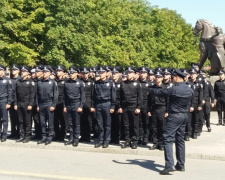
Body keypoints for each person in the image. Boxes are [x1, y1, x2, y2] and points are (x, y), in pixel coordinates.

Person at [149, 69, 193, 175]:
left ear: (177, 77)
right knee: (180, 140)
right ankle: (181, 164)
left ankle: (169, 165)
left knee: (167, 138)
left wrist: (149, 89)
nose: (172, 79)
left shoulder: (174, 89)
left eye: (173, 77)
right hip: (184, 116)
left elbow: (160, 92)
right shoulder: (189, 89)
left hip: (174, 116)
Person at [119, 66, 143, 149]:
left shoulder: (137, 84)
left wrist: (138, 107)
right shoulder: (123, 83)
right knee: (126, 125)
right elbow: (120, 97)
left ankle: (135, 141)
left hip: (134, 107)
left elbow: (140, 97)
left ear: (133, 74)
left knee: (135, 125)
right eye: (127, 73)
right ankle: (127, 140)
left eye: (130, 73)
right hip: (125, 106)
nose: (128, 75)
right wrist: (120, 107)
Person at [93, 66, 116, 148]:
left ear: (106, 73)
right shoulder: (96, 83)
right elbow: (94, 95)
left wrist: (112, 106)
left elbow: (113, 95)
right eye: (100, 72)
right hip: (98, 104)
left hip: (107, 103)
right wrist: (94, 106)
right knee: (99, 123)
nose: (101, 74)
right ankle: (101, 140)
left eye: (102, 72)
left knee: (107, 123)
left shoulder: (110, 83)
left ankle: (106, 140)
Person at [64, 66, 85, 147]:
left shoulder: (80, 83)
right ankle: (71, 138)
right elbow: (65, 96)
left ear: (76, 73)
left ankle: (76, 139)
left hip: (76, 103)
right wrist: (65, 105)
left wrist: (80, 106)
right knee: (70, 123)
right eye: (70, 73)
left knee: (76, 123)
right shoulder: (67, 83)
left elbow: (83, 95)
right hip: (69, 104)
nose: (71, 74)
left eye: (72, 73)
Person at [36, 65, 58, 145]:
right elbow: (37, 95)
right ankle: (44, 136)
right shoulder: (39, 82)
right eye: (44, 72)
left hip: (49, 103)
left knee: (50, 122)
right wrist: (38, 105)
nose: (44, 73)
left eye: (46, 72)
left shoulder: (52, 82)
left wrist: (53, 105)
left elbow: (55, 95)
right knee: (42, 122)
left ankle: (50, 137)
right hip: (41, 103)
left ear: (50, 73)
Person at [14, 65, 35, 143]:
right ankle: (22, 135)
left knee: (27, 121)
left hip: (27, 103)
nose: (22, 73)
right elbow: (15, 94)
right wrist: (15, 103)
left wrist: (30, 104)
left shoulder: (30, 82)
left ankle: (27, 136)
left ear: (27, 73)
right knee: (21, 120)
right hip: (19, 103)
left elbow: (32, 94)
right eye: (22, 71)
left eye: (24, 71)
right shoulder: (18, 81)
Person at [0, 65, 12, 142]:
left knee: (4, 119)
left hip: (3, 100)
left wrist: (8, 102)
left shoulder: (7, 80)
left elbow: (10, 92)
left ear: (3, 71)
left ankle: (4, 134)